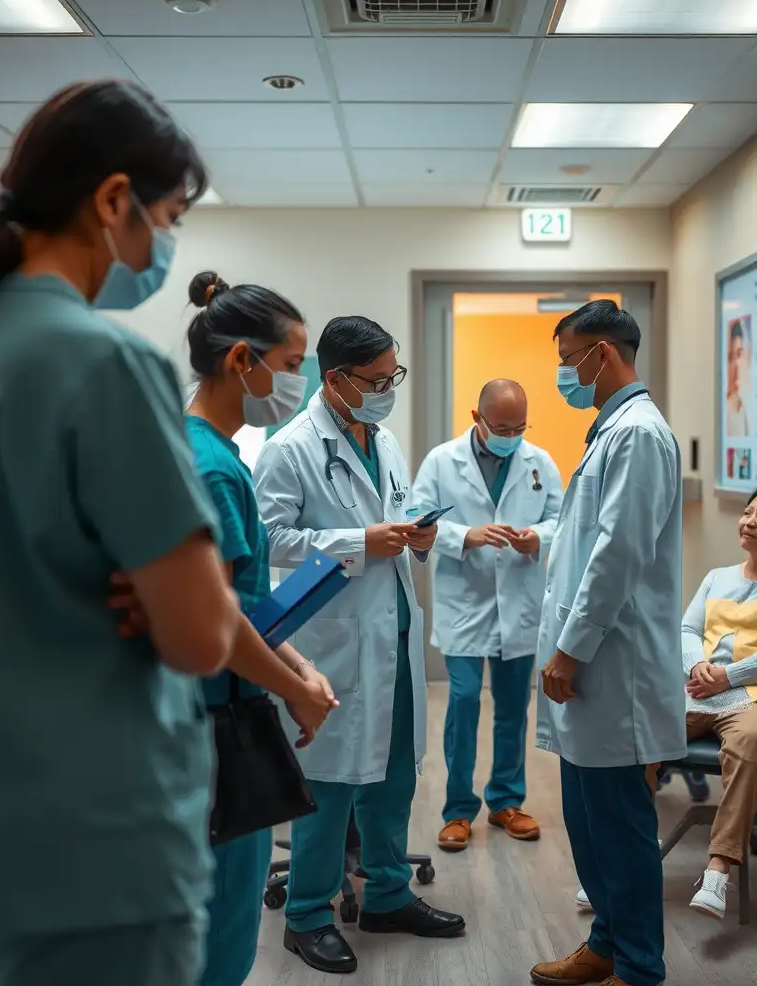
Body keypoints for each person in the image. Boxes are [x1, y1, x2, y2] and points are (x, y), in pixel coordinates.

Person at [0, 81, 333, 986]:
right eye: (167, 216)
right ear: (111, 201)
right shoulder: (102, 361)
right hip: (87, 830)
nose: (162, 247)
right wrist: (180, 592)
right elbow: (198, 632)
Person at [254, 316, 466, 975]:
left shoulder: (386, 440)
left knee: (394, 774)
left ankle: (387, 896)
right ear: (336, 378)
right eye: (377, 380)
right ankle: (309, 916)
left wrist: (416, 537)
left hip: (392, 634)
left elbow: (393, 515)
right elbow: (268, 540)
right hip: (334, 640)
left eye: (392, 377)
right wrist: (358, 544)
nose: (387, 390)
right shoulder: (289, 448)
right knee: (330, 783)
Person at [179, 271, 339, 985]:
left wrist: (299, 667)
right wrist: (296, 689)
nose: (299, 381)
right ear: (243, 360)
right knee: (220, 937)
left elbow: (239, 605)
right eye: (293, 363)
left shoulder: (196, 449)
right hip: (215, 728)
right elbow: (221, 621)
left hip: (199, 720)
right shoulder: (216, 470)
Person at [530, 301, 685, 986]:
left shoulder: (640, 435)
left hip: (609, 666)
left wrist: (572, 648)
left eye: (570, 361)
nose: (567, 374)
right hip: (589, 666)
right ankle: (606, 944)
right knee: (588, 824)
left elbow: (617, 554)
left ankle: (640, 968)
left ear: (603, 353)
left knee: (619, 831)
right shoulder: (609, 432)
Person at [411, 379, 563, 853]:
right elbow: (418, 519)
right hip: (465, 602)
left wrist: (538, 537)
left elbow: (564, 521)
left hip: (518, 603)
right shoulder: (441, 460)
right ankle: (458, 809)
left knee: (514, 707)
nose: (511, 435)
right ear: (477, 419)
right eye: (501, 427)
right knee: (462, 702)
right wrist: (465, 536)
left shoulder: (540, 462)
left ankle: (506, 802)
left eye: (519, 426)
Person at [681, 481, 757, 921]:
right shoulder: (718, 576)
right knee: (639, 733)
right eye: (748, 511)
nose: (749, 521)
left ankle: (719, 868)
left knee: (749, 741)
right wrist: (699, 668)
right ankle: (620, 864)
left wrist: (728, 677)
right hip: (700, 690)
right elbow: (688, 631)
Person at [725, 318, 750, 437]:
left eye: (739, 354)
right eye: (730, 358)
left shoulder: (743, 408)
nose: (735, 365)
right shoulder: (723, 413)